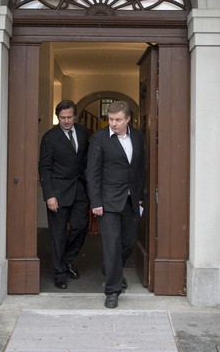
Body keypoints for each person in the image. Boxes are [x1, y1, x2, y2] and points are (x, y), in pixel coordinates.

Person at [86, 100, 145, 308]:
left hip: (131, 200)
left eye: (118, 120)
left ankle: (113, 269)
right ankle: (112, 291)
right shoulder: (99, 138)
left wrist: (140, 195)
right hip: (108, 201)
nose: (114, 123)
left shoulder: (137, 136)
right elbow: (92, 173)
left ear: (128, 119)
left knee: (128, 242)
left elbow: (139, 168)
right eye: (111, 119)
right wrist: (96, 201)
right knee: (111, 246)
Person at [39, 100, 89, 289]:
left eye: (69, 117)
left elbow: (85, 160)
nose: (66, 121)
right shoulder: (50, 137)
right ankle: (59, 273)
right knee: (58, 235)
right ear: (57, 117)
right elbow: (44, 168)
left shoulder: (83, 132)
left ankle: (67, 260)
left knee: (80, 227)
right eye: (62, 118)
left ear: (74, 116)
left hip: (79, 190)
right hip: (57, 194)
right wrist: (49, 195)